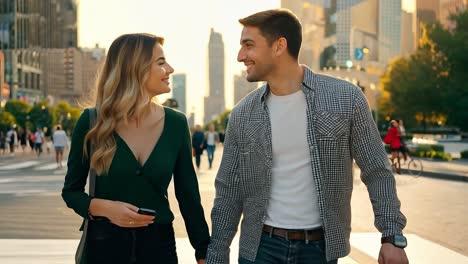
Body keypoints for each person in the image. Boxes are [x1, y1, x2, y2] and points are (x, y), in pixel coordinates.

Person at [206, 9, 408, 264]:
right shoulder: (242, 115)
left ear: (279, 46)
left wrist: (392, 237)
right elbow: (228, 192)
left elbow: (377, 170)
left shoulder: (346, 98)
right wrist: (217, 255)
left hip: (320, 251)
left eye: (248, 45)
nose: (240, 56)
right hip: (260, 250)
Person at [62, 33, 209, 264]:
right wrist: (105, 208)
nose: (170, 69)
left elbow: (188, 196)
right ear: (135, 69)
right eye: (161, 63)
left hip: (159, 250)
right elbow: (71, 192)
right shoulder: (91, 122)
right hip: (103, 250)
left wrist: (204, 252)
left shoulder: (176, 124)